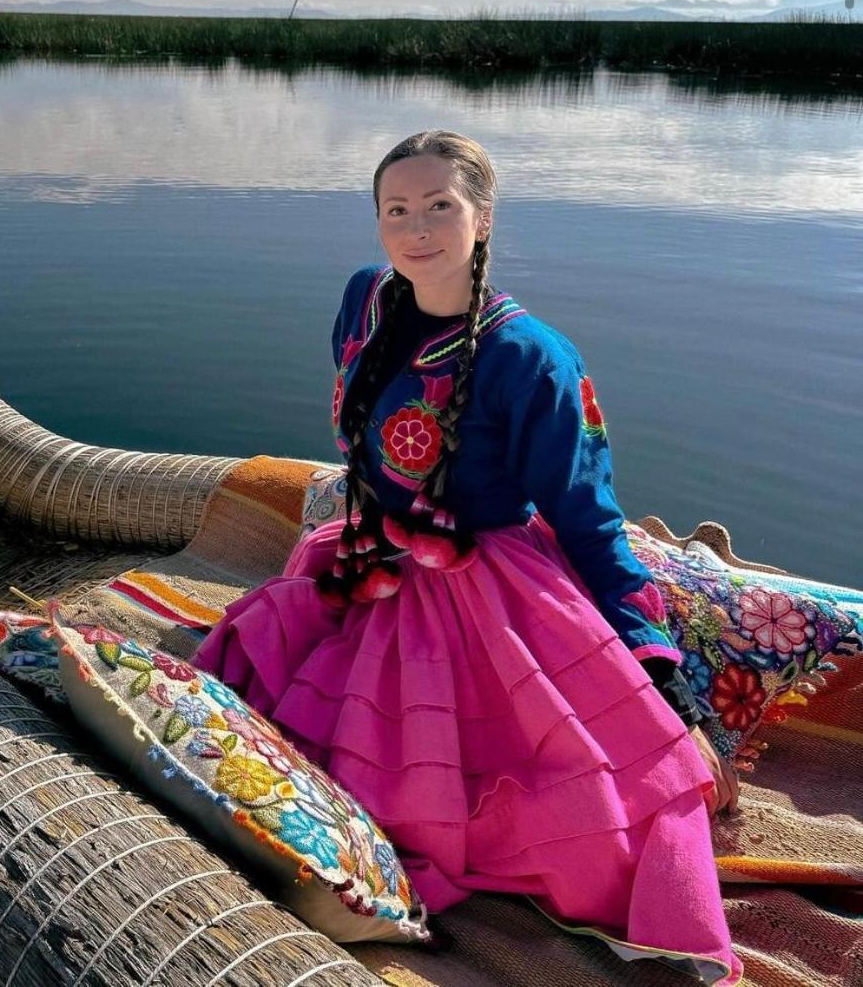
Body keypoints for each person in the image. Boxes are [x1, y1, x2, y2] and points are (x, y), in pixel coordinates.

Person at [192, 130, 743, 984]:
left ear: (481, 219)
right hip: (369, 558)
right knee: (245, 682)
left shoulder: (531, 359)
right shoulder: (363, 302)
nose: (417, 229)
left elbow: (586, 517)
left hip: (483, 590)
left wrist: (658, 668)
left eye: (439, 206)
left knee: (535, 806)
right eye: (397, 210)